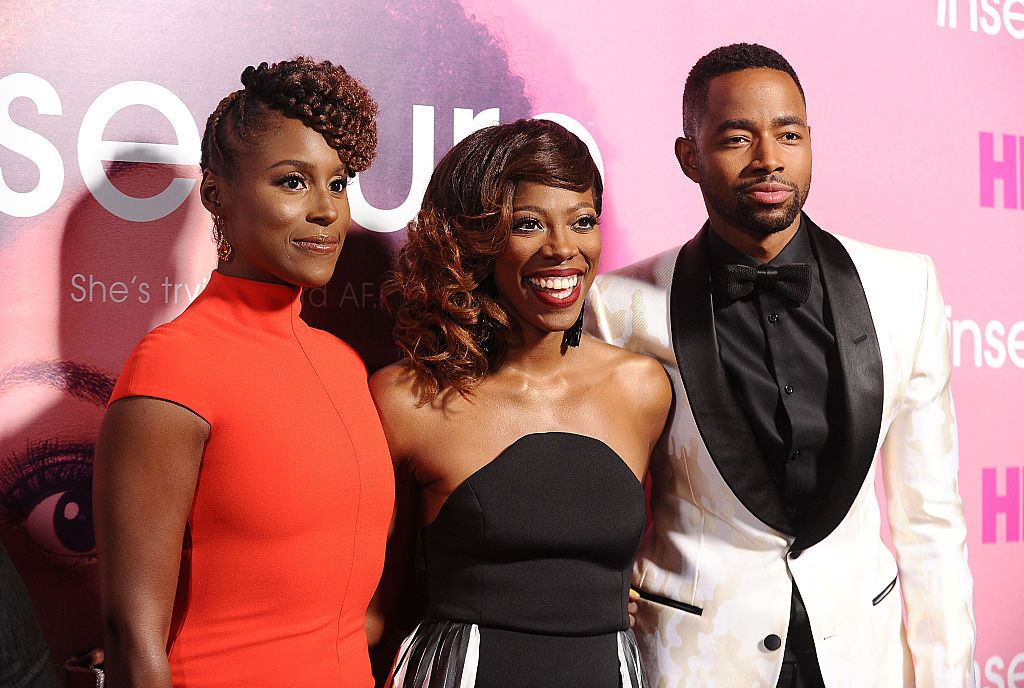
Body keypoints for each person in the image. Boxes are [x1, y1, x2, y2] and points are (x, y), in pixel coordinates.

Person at [587, 43, 976, 688]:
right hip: (696, 658)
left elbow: (931, 518)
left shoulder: (905, 288)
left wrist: (947, 677)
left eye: (788, 134)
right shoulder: (618, 305)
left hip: (860, 655)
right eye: (737, 137)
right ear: (690, 157)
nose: (769, 159)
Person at [92, 57, 392, 687]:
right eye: (292, 182)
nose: (326, 211)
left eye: (338, 184)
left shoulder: (344, 366)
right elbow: (131, 643)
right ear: (216, 193)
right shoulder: (174, 366)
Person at [369, 119, 672, 688]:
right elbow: (371, 609)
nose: (563, 250)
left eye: (583, 222)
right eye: (528, 224)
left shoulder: (642, 389)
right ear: (473, 239)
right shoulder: (407, 400)